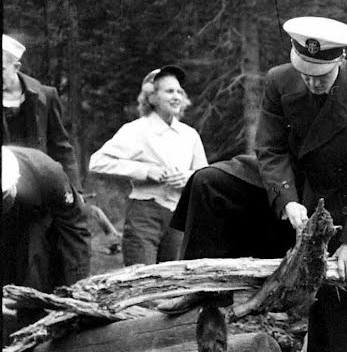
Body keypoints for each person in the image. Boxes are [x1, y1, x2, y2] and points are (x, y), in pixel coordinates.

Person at [170, 16, 347, 352]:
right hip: (289, 189)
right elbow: (270, 150)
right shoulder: (279, 80)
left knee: (343, 293)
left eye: (321, 77)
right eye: (304, 74)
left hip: (341, 204)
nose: (310, 84)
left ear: (340, 61)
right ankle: (206, 292)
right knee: (210, 182)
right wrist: (286, 199)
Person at [89, 65, 207, 266]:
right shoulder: (136, 130)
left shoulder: (190, 135)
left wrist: (188, 177)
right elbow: (98, 162)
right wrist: (146, 171)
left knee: (173, 284)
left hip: (179, 217)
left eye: (179, 91)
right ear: (152, 97)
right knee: (141, 280)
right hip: (144, 214)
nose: (177, 96)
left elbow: (204, 175)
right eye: (169, 91)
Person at [2, 145, 92, 336]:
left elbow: (75, 232)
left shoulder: (47, 173)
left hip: (40, 223)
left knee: (36, 270)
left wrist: (77, 292)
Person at [2, 34, 82, 191]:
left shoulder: (45, 96)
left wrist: (75, 190)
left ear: (16, 67)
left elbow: (61, 148)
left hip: (39, 187)